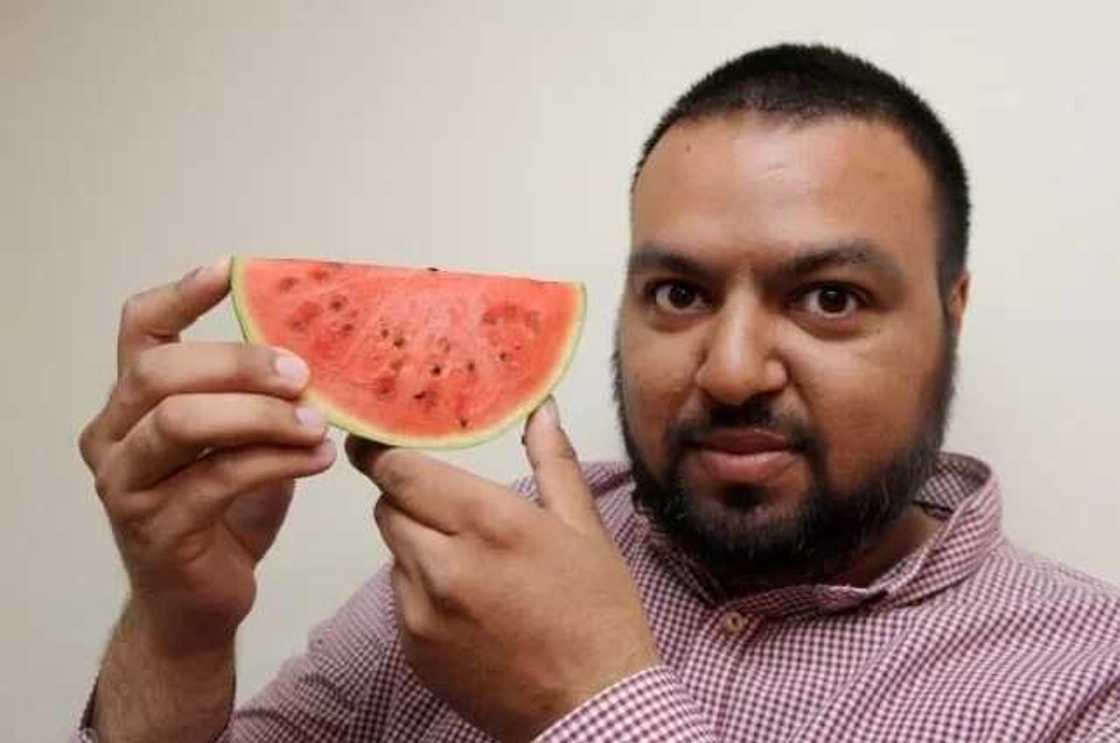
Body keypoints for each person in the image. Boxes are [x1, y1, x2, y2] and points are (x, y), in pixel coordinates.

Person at [74, 44, 1120, 742]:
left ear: (952, 308)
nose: (730, 368)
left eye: (830, 297)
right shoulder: (481, 565)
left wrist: (591, 702)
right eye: (677, 291)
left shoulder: (1086, 676)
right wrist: (177, 626)